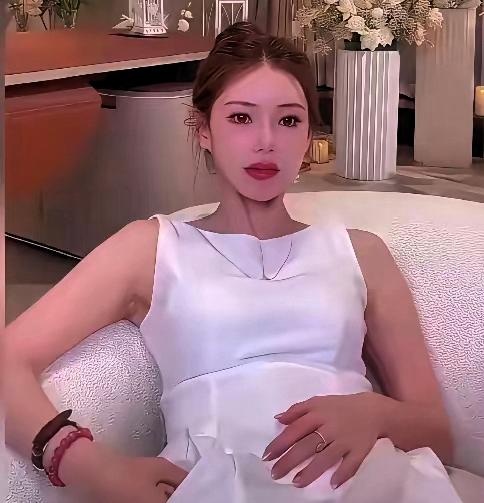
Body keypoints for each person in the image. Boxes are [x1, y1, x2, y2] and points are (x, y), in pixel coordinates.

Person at [5, 22, 465, 502]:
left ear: (310, 133)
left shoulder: (360, 252)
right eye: (242, 118)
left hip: (373, 483)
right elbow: (9, 357)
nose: (266, 141)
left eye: (289, 121)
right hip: (216, 486)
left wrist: (376, 413)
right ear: (203, 128)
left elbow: (438, 432)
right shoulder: (152, 248)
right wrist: (89, 466)